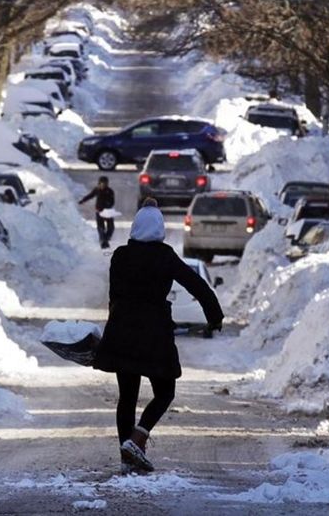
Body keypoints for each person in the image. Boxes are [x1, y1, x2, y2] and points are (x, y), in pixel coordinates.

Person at [92, 200, 224, 474]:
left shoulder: (120, 255)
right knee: (165, 391)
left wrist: (112, 327)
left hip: (123, 329)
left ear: (135, 227)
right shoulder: (165, 256)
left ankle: (126, 453)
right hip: (154, 333)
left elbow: (114, 296)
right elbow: (196, 283)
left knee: (127, 395)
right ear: (159, 229)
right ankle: (138, 438)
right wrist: (214, 315)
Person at [79, 176, 115, 248]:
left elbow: (112, 201)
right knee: (101, 227)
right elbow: (90, 196)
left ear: (107, 184)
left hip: (108, 211)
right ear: (99, 183)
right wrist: (83, 200)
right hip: (99, 211)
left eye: (105, 184)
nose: (103, 185)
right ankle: (103, 241)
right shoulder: (97, 190)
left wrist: (108, 205)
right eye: (101, 183)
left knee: (111, 227)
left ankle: (106, 238)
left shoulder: (110, 191)